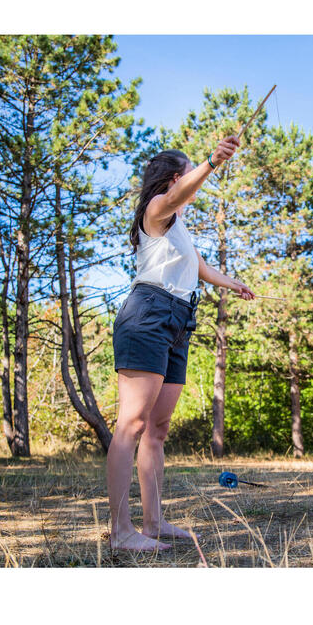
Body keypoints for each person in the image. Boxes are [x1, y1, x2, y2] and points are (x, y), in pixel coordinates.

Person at [108, 135, 254, 551]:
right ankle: (121, 532)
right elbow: (177, 196)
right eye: (187, 172)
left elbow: (201, 267)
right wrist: (210, 162)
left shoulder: (179, 229)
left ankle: (153, 523)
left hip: (179, 320)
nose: (193, 181)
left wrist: (233, 284)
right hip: (148, 315)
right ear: (176, 179)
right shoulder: (156, 210)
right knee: (131, 425)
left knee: (157, 429)